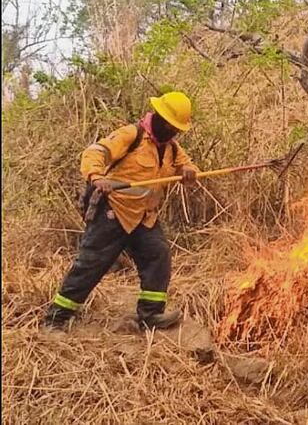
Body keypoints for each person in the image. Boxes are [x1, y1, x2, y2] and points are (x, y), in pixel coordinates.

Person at [44, 91, 200, 330]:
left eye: (176, 129)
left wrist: (189, 170)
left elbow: (185, 164)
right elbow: (95, 152)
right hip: (113, 212)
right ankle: (56, 319)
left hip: (144, 216)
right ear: (158, 117)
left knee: (158, 255)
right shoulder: (131, 136)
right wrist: (96, 176)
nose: (172, 132)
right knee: (92, 263)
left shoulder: (172, 148)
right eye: (169, 126)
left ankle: (150, 315)